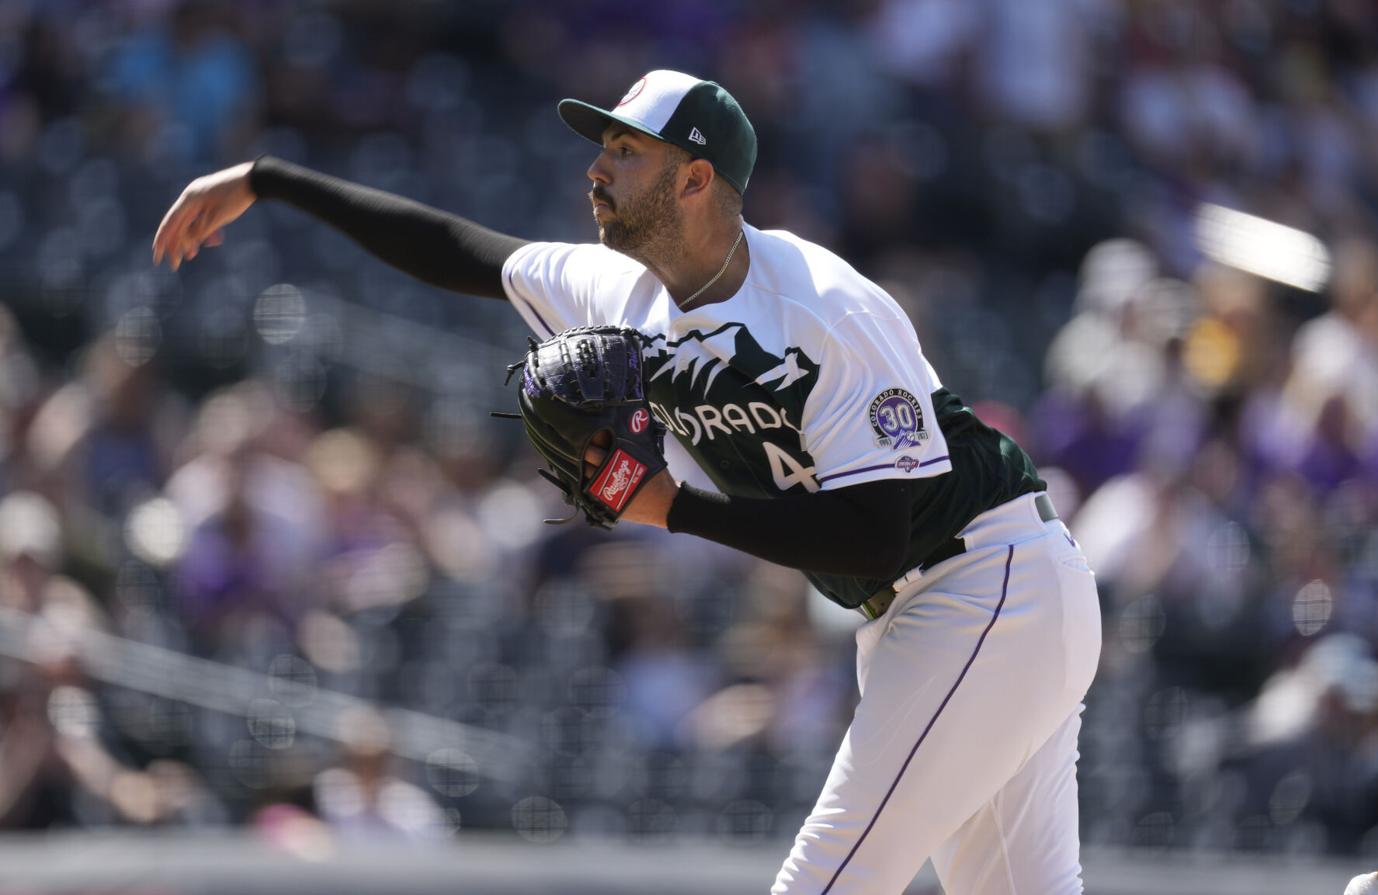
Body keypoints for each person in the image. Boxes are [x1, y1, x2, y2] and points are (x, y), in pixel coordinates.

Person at [155, 69, 1102, 895]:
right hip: (935, 612)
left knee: (827, 878)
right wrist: (273, 181)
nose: (596, 168)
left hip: (985, 583)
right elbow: (457, 248)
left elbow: (872, 536)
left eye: (625, 150)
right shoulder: (620, 288)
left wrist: (672, 509)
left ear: (696, 179)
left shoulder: (823, 306)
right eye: (601, 145)